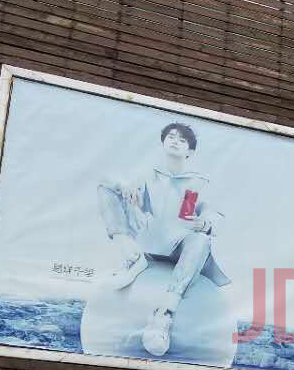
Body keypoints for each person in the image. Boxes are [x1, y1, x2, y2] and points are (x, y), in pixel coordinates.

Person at [96, 121, 229, 357]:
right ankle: (132, 256)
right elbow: (118, 185)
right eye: (171, 137)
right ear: (163, 143)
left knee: (201, 240)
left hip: (180, 247)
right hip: (147, 241)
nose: (175, 141)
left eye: (182, 140)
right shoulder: (146, 173)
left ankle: (164, 314)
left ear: (190, 151)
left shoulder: (198, 181)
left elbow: (213, 213)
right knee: (106, 186)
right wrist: (125, 187)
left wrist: (205, 222)